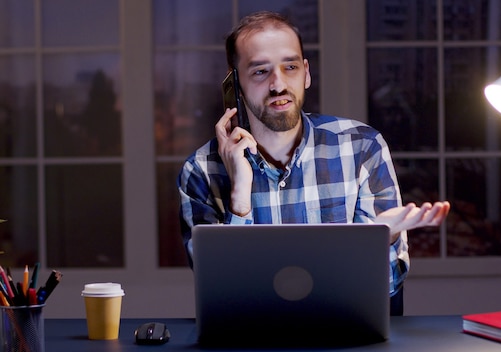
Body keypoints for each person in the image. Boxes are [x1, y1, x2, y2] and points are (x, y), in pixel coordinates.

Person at [177, 11, 450, 315]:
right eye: (259, 71)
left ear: (306, 73)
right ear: (235, 84)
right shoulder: (201, 169)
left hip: (346, 339)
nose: (278, 84)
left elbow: (387, 287)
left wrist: (384, 238)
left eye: (290, 66)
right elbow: (220, 293)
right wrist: (240, 195)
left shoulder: (361, 146)